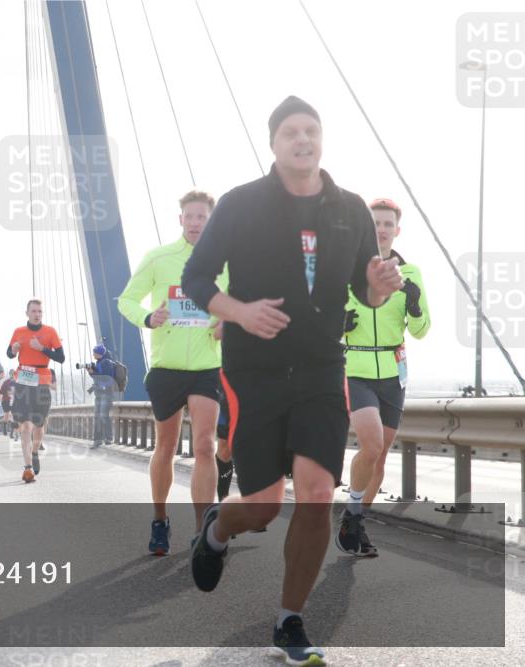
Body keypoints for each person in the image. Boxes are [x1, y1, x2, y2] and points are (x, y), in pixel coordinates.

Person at [181, 96, 402, 664]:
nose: (302, 139)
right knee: (260, 507)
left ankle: (289, 621)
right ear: (273, 143)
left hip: (322, 368)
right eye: (290, 132)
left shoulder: (349, 209)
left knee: (316, 494)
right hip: (253, 371)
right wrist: (239, 311)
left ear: (321, 139)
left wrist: (379, 287)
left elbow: (364, 290)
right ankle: (216, 528)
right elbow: (196, 277)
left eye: (311, 130)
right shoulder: (241, 204)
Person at [118, 189, 227, 555]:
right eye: (190, 217)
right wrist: (149, 317)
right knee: (165, 447)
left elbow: (240, 305)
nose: (195, 223)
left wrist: (227, 323)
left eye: (202, 217)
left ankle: (203, 530)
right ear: (181, 219)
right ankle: (160, 519)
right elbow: (126, 300)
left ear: (211, 221)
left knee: (204, 445)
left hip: (206, 368)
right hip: (166, 369)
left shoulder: (227, 264)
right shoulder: (159, 258)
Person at [337, 197, 430, 557]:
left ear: (397, 230)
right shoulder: (347, 270)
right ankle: (353, 512)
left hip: (393, 373)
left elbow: (421, 330)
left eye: (387, 223)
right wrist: (339, 325)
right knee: (372, 445)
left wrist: (415, 306)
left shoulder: (412, 273)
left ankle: (355, 520)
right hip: (356, 370)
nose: (381, 229)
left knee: (379, 458)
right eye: (375, 222)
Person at [7, 299, 64, 482]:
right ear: (27, 313)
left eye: (40, 311)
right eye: (33, 311)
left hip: (42, 382)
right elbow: (9, 353)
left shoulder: (50, 331)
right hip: (23, 380)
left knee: (39, 425)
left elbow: (61, 357)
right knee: (25, 425)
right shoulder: (19, 331)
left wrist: (42, 348)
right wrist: (13, 349)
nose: (37, 314)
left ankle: (34, 451)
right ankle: (27, 467)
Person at [86, 344, 118, 448]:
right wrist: (91, 372)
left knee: (103, 415)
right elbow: (97, 378)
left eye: (94, 352)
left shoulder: (107, 363)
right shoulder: (99, 362)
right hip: (99, 393)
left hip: (106, 393)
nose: (93, 354)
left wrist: (93, 372)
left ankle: (108, 438)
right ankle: (97, 440)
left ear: (99, 353)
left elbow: (106, 378)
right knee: (97, 417)